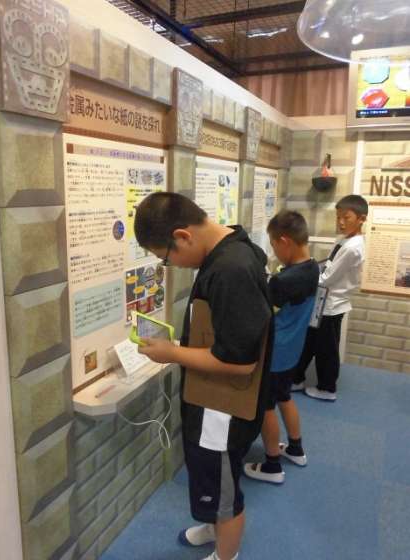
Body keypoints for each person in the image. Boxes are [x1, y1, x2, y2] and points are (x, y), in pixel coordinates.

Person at [133, 192, 272, 560]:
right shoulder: (228, 251)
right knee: (209, 477)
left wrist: (172, 353)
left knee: (224, 490)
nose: (171, 265)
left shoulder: (231, 269)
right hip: (210, 398)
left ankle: (226, 554)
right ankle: (213, 528)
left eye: (166, 257)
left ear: (183, 236)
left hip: (222, 410)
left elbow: (241, 362)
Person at [243, 210, 319, 483]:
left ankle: (272, 465)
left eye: (274, 246)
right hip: (292, 350)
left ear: (284, 241)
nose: (274, 252)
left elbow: (260, 311)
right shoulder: (312, 267)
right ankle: (296, 449)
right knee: (284, 396)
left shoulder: (284, 280)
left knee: (266, 407)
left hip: (275, 352)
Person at [292, 194, 368, 401]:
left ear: (361, 219)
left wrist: (300, 276)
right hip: (323, 303)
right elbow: (328, 266)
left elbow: (326, 279)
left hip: (332, 306)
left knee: (326, 350)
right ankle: (296, 378)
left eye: (346, 217)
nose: (341, 222)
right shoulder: (344, 240)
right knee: (309, 342)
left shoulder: (352, 248)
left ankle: (327, 389)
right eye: (338, 217)